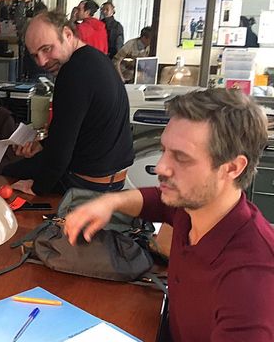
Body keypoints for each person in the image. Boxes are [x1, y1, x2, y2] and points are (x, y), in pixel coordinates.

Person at [63, 88, 274, 341]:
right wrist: (109, 202)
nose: (161, 167)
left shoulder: (250, 283)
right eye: (164, 150)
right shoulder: (193, 204)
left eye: (181, 158)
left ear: (232, 168)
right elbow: (157, 202)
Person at [3, 10, 133, 196]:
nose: (42, 62)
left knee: (7, 172)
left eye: (47, 49)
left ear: (68, 34)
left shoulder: (73, 73)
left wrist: (36, 187)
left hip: (89, 183)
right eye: (35, 55)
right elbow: (74, 132)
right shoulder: (97, 59)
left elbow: (60, 154)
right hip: (113, 177)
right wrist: (43, 145)